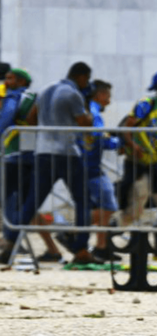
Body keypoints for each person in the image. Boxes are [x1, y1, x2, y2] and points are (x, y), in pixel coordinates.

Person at [2, 62, 100, 265]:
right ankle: (81, 249)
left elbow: (31, 119)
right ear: (81, 77)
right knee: (82, 201)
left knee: (31, 202)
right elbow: (84, 122)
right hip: (67, 152)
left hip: (43, 152)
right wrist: (88, 111)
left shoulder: (46, 89)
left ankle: (10, 241)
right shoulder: (73, 94)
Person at [118, 79, 157, 258]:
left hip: (155, 165)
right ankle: (109, 234)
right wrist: (134, 146)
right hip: (138, 164)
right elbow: (126, 128)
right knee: (135, 208)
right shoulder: (146, 105)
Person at [81, 80, 120, 261]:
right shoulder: (94, 112)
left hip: (87, 165)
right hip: (91, 166)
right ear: (100, 95)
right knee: (108, 205)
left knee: (99, 206)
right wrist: (120, 142)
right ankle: (73, 232)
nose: (109, 101)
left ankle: (100, 245)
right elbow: (99, 139)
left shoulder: (88, 109)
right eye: (108, 96)